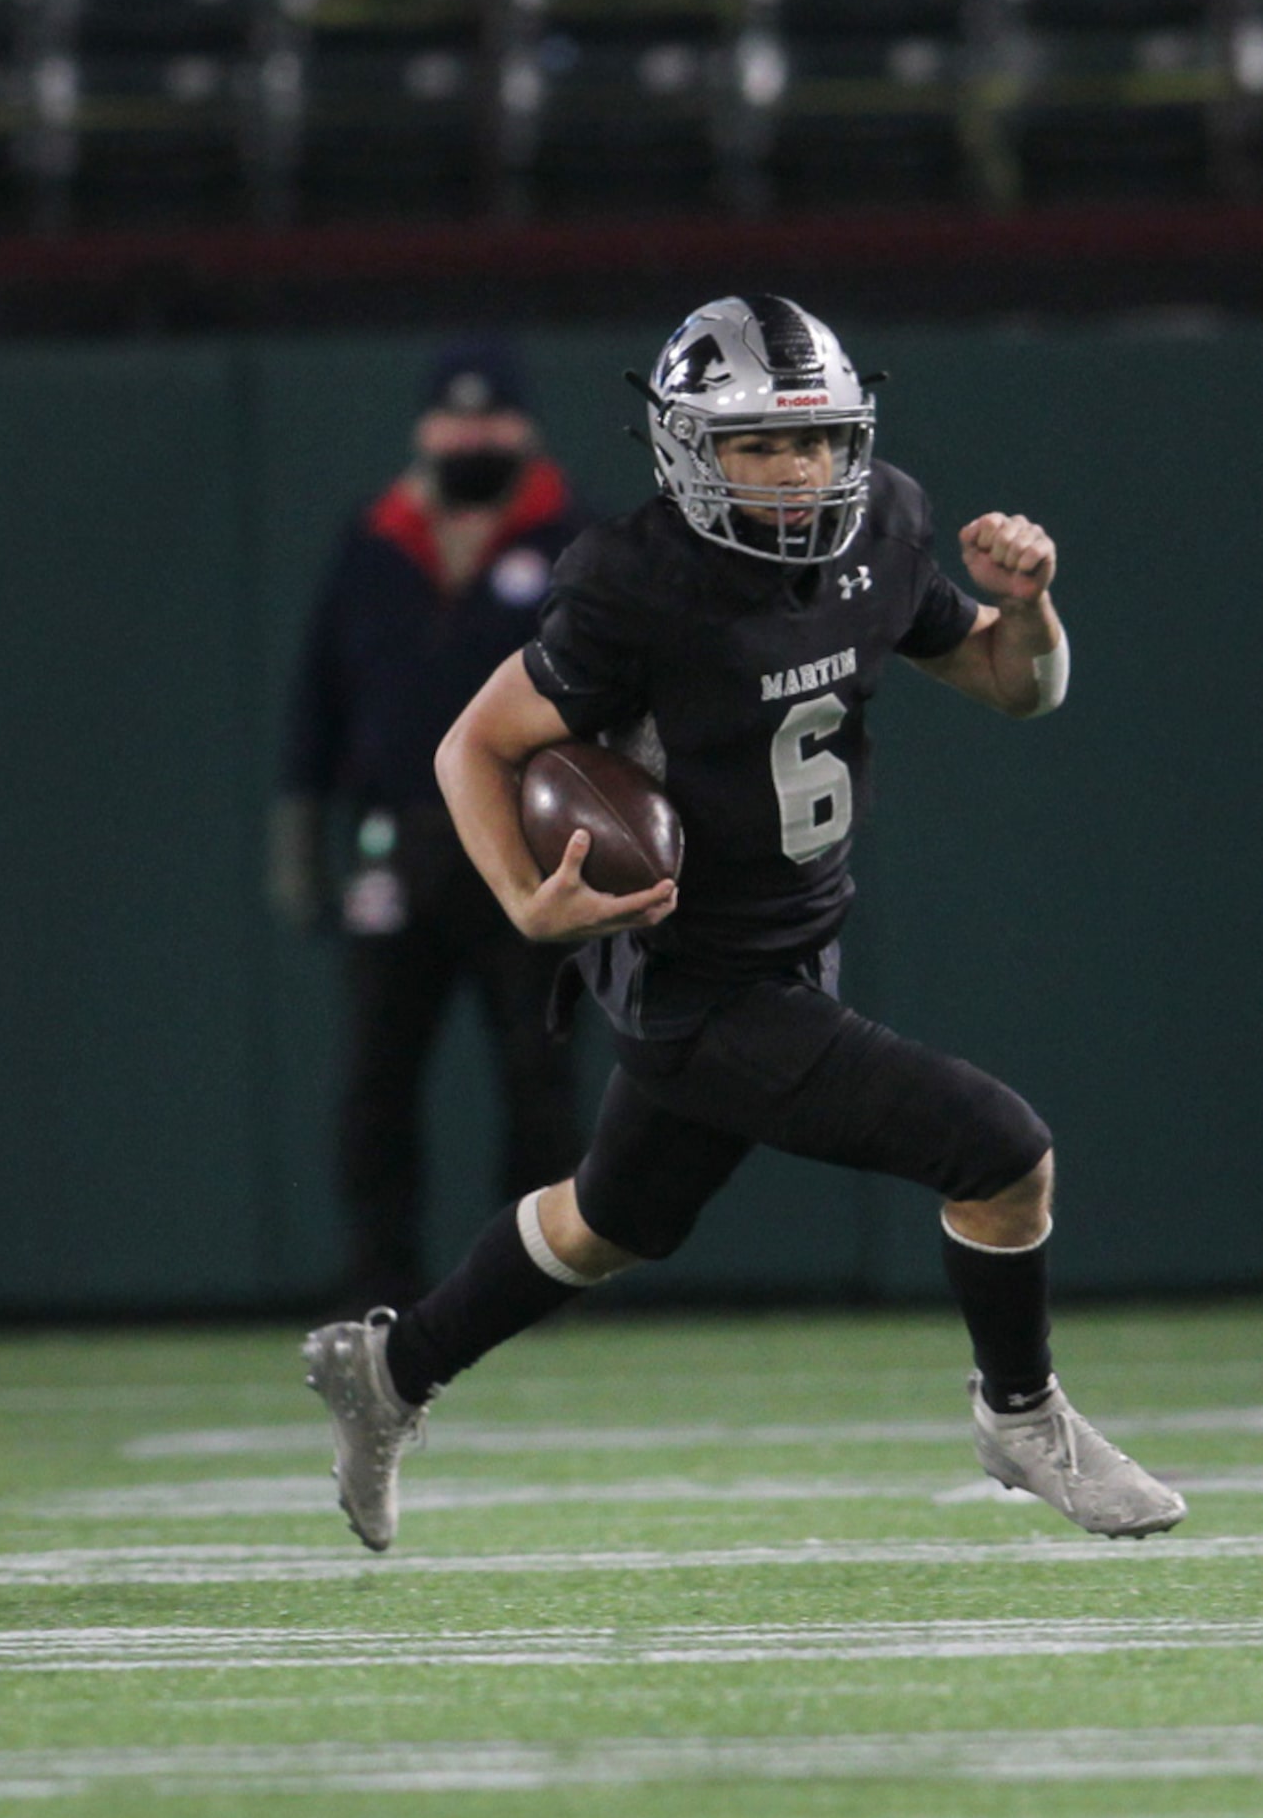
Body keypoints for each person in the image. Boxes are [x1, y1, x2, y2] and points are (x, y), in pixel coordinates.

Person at [301, 293, 1183, 1552]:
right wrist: (521, 898)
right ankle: (1022, 1412)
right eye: (757, 444)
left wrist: (1032, 609)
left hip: (793, 943)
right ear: (684, 447)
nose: (797, 469)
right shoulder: (636, 582)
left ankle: (389, 1375)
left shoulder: (885, 524)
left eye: (817, 438)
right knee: (1001, 1152)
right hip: (696, 976)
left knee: (609, 1224)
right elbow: (474, 745)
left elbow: (1013, 687)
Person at [274, 340, 590, 1312]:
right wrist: (299, 832)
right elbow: (319, 697)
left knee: (538, 1071)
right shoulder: (376, 540)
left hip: (530, 844)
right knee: (377, 1070)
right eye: (455, 420)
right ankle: (379, 1269)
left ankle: (540, 1273)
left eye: (491, 418)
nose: (472, 436)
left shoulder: (574, 538)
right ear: (423, 428)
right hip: (396, 842)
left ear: (525, 429)